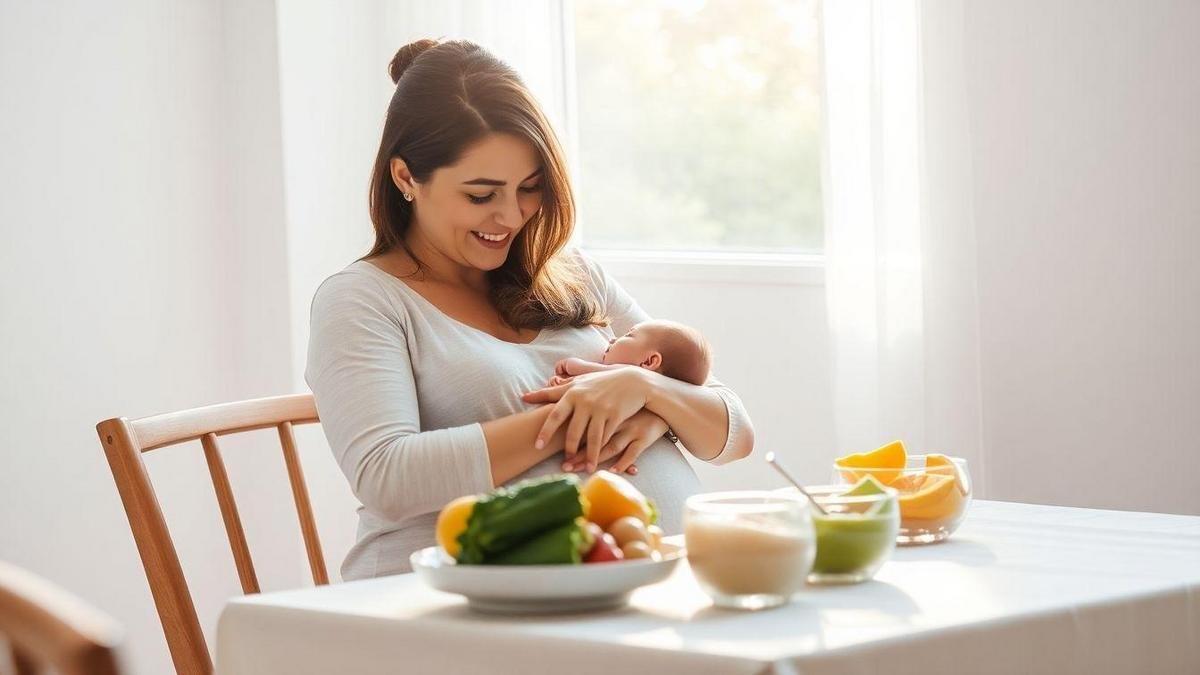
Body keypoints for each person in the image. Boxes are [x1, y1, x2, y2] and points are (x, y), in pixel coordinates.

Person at [305, 38, 754, 579]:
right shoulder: (362, 300)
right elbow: (387, 476)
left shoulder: (569, 273)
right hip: (451, 607)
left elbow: (732, 433)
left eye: (530, 188)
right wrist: (582, 413)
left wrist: (646, 391)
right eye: (480, 194)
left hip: (644, 592)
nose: (511, 216)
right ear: (406, 178)